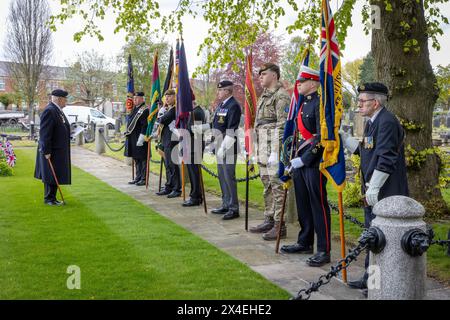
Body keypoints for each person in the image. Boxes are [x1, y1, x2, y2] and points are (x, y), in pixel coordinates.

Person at [340, 82, 408, 293]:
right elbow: (366, 151)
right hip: (374, 190)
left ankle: (379, 286)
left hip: (385, 192)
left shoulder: (386, 122)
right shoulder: (372, 122)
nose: (358, 105)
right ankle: (371, 280)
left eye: (362, 101)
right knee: (373, 236)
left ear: (375, 103)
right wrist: (344, 137)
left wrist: (373, 188)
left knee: (382, 240)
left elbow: (386, 159)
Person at [280, 66, 331, 267]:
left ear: (313, 83)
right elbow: (299, 135)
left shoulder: (320, 104)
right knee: (303, 203)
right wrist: (294, 157)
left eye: (302, 81)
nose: (298, 84)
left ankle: (323, 249)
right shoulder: (302, 105)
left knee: (318, 205)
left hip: (314, 162)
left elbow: (322, 136)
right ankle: (305, 241)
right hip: (299, 160)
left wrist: (306, 158)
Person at [249, 63, 290, 240]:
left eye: (264, 74)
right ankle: (269, 218)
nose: (260, 77)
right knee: (267, 186)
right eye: (259, 75)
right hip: (262, 148)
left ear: (274, 75)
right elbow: (259, 124)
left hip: (274, 149)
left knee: (277, 186)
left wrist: (275, 151)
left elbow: (283, 126)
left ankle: (280, 225)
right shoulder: (264, 97)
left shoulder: (281, 97)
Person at [193, 80, 242, 220]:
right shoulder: (222, 105)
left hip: (229, 145)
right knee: (222, 176)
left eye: (220, 90)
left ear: (227, 91)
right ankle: (226, 204)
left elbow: (231, 129)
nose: (218, 92)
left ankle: (234, 208)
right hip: (219, 143)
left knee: (229, 177)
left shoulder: (233, 106)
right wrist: (202, 128)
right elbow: (216, 124)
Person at [34, 89, 71, 206]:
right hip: (52, 150)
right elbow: (45, 133)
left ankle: (53, 198)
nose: (66, 101)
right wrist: (46, 151)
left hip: (58, 149)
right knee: (50, 173)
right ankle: (49, 199)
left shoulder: (57, 111)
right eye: (65, 99)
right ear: (59, 99)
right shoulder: (50, 111)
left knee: (56, 172)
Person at [156, 89, 182, 198]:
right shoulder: (168, 109)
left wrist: (161, 112)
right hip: (166, 139)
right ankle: (169, 185)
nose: (166, 98)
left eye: (169, 96)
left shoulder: (174, 109)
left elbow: (162, 120)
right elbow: (160, 119)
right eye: (166, 96)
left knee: (173, 165)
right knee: (168, 165)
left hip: (172, 139)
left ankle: (177, 188)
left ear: (175, 97)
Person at [183, 98, 206, 207]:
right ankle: (194, 195)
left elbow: (196, 130)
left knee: (195, 173)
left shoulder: (197, 112)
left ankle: (196, 196)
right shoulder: (193, 111)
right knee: (192, 173)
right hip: (191, 145)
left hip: (195, 146)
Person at [124, 91, 149, 186]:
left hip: (140, 138)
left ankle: (143, 178)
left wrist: (142, 137)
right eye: (134, 98)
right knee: (136, 158)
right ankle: (138, 177)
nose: (135, 100)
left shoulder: (145, 110)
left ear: (142, 99)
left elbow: (145, 125)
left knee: (142, 158)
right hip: (133, 137)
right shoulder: (135, 109)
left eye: (137, 98)